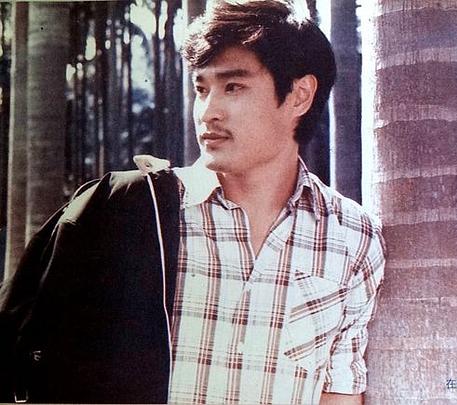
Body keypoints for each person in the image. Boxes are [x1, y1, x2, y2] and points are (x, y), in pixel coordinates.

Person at [0, 1, 385, 404]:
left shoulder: (353, 237)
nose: (208, 112)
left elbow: (338, 393)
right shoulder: (136, 212)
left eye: (233, 87)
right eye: (202, 89)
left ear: (299, 96)